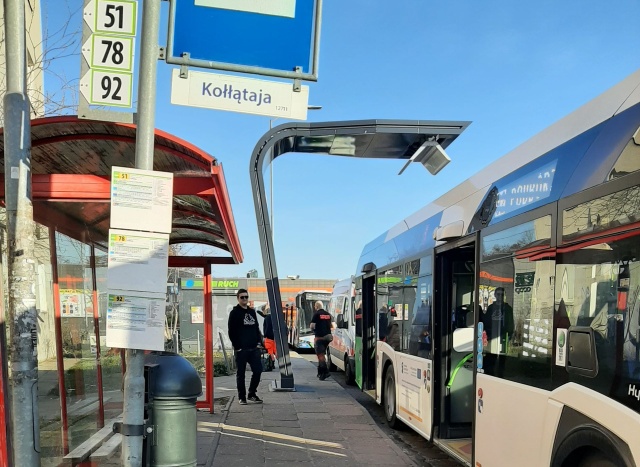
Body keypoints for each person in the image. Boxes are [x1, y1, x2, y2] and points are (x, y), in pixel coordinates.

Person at [228, 289, 264, 405]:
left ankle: (252, 393)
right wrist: (237, 346)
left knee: (258, 371)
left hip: (254, 348)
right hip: (242, 349)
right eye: (242, 297)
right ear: (238, 298)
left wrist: (259, 342)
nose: (244, 299)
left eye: (246, 297)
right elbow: (231, 331)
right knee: (241, 374)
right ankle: (242, 397)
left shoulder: (252, 312)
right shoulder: (234, 313)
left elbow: (256, 328)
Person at [482, 287, 514, 355]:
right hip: (492, 336)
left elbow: (511, 323)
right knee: (491, 355)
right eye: (498, 294)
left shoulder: (508, 308)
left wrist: (509, 335)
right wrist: (488, 334)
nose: (500, 296)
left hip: (503, 336)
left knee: (503, 355)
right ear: (495, 295)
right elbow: (486, 321)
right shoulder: (491, 308)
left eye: (502, 294)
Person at [310, 300, 334, 380]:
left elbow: (312, 326)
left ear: (316, 307)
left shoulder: (316, 314)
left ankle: (325, 372)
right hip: (328, 336)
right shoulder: (328, 314)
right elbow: (333, 325)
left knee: (320, 355)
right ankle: (320, 373)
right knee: (322, 354)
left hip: (320, 337)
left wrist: (314, 330)